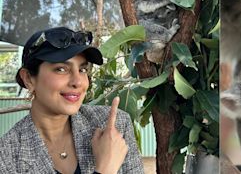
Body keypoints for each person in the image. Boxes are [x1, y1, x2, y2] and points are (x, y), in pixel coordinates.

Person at [0, 27, 144, 173]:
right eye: (61, 69)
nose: (78, 82)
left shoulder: (112, 128)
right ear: (28, 79)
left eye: (82, 70)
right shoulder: (7, 156)